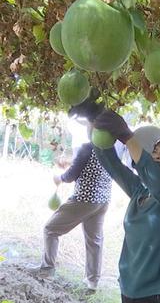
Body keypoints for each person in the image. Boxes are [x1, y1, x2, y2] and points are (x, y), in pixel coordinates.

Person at [92, 110, 160, 303]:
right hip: (130, 291)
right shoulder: (140, 192)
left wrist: (127, 137)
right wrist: (95, 123)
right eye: (155, 151)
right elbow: (111, 164)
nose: (157, 156)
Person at [29, 95, 112, 292]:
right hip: (103, 200)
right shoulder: (108, 146)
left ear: (91, 125)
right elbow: (87, 167)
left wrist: (59, 178)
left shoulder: (87, 146)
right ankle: (92, 282)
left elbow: (72, 175)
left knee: (50, 229)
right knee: (95, 241)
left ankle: (47, 270)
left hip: (84, 199)